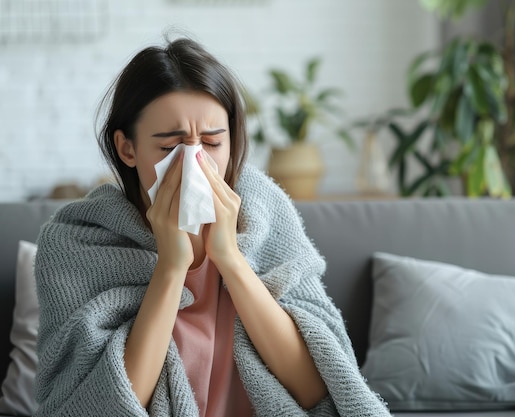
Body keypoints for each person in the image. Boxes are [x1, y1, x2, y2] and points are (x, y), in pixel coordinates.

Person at [33, 36, 391, 416]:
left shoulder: (265, 213)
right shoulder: (75, 241)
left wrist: (231, 259)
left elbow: (318, 388)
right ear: (128, 149)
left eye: (212, 142)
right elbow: (100, 407)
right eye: (170, 147)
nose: (194, 163)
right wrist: (171, 267)